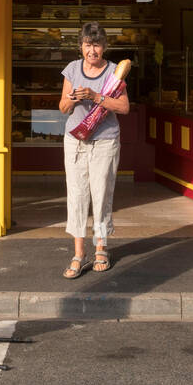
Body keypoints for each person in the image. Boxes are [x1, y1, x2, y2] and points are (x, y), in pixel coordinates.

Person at [59, 22, 130, 279]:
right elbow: (62, 107)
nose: (92, 50)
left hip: (105, 141)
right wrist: (74, 99)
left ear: (104, 47)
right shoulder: (72, 69)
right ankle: (79, 253)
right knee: (77, 196)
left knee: (101, 194)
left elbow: (123, 107)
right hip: (76, 141)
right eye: (88, 44)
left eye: (97, 44)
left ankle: (101, 247)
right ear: (80, 46)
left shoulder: (114, 72)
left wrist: (96, 96)